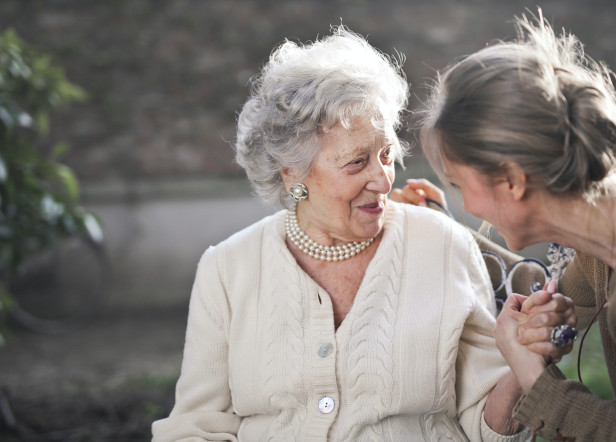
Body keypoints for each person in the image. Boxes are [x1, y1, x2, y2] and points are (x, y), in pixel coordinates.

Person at [151, 26, 576, 441]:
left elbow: (484, 426)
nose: (383, 179)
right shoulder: (227, 269)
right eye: (357, 163)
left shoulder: (443, 245)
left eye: (387, 154)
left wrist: (524, 362)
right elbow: (197, 426)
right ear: (292, 174)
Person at [409, 11, 616, 441]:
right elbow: (567, 299)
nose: (468, 204)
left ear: (513, 180)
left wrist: (537, 381)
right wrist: (546, 319)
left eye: (459, 184)